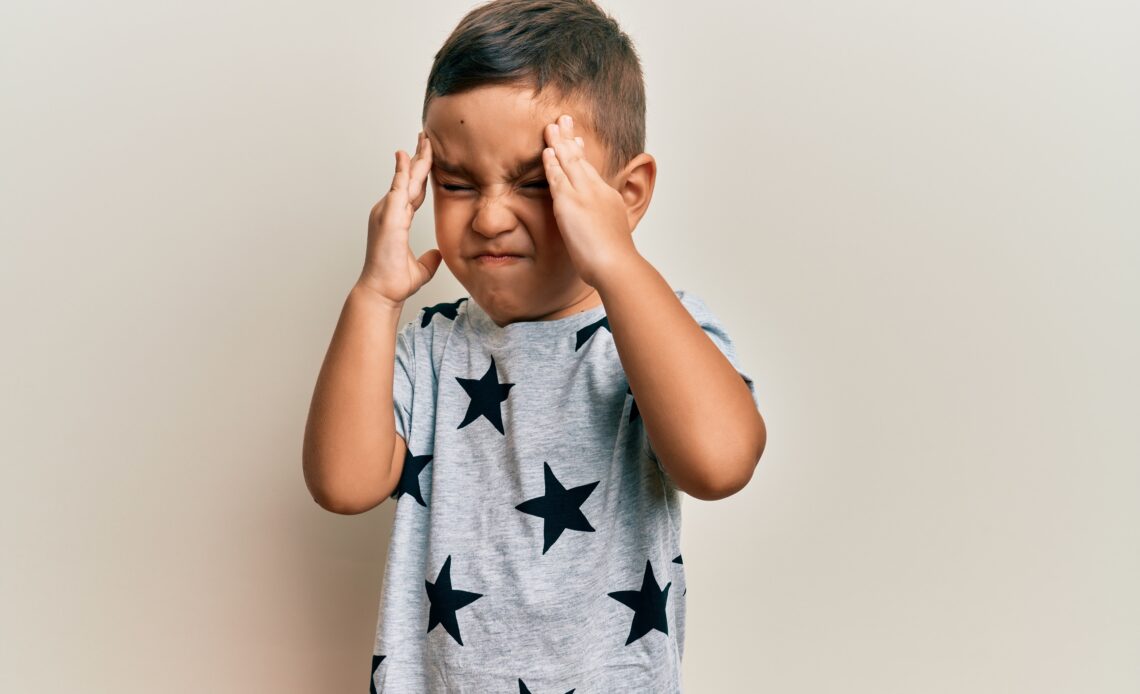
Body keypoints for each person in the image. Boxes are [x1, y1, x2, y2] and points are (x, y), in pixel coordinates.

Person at [302, 0, 767, 690]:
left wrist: (617, 262)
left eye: (537, 183)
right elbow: (342, 484)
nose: (489, 217)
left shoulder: (653, 333)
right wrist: (374, 298)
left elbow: (721, 463)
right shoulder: (429, 350)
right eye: (457, 184)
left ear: (628, 193)